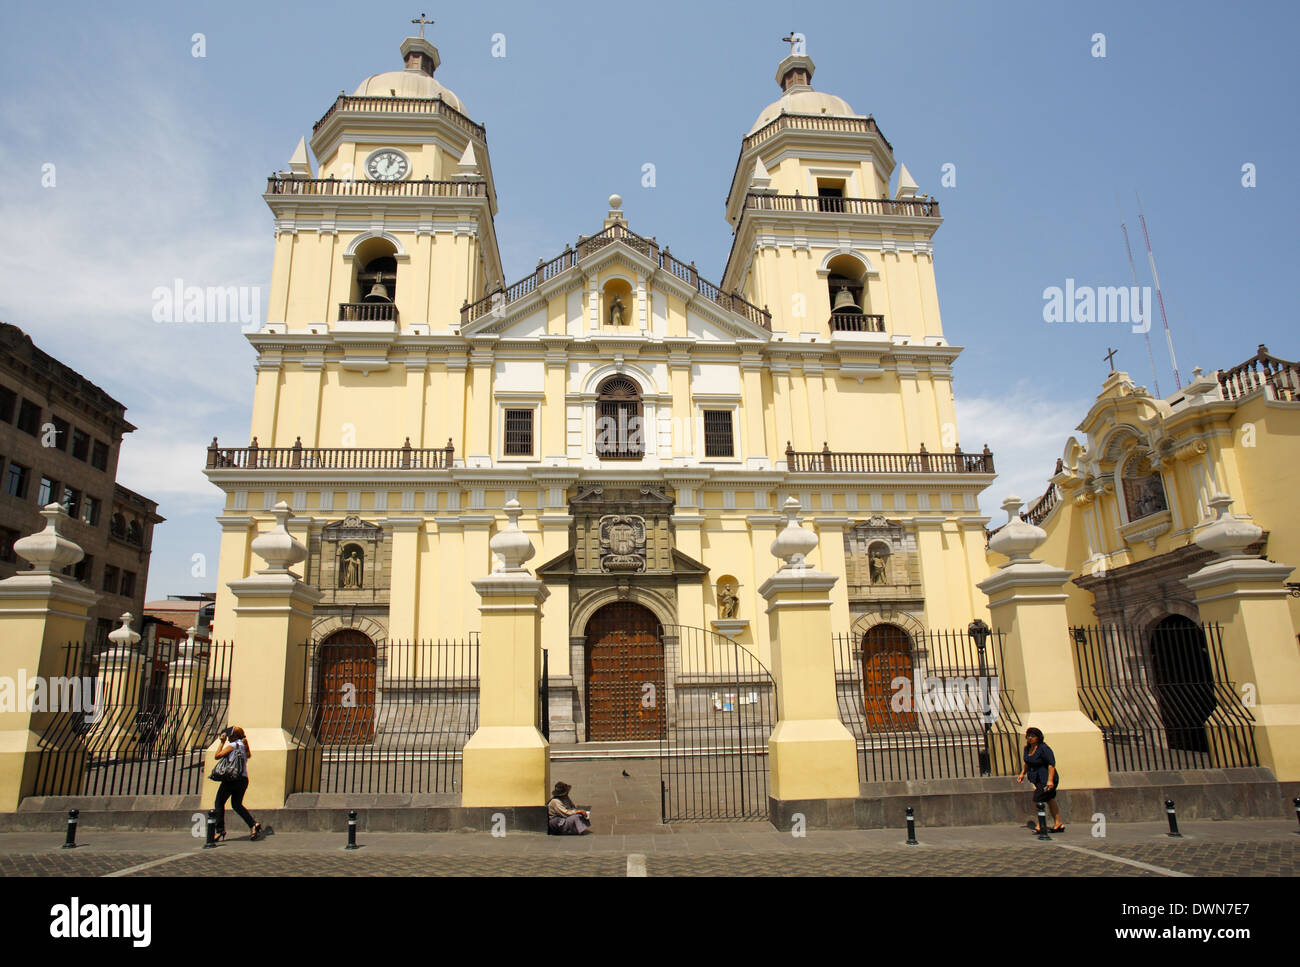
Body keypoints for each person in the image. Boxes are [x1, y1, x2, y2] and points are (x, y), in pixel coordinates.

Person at [213, 726, 262, 841]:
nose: (228, 737)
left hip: (232, 779)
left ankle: (220, 830)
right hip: (243, 779)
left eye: (230, 735)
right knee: (236, 805)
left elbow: (217, 756)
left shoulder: (233, 745)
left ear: (234, 736)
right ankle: (253, 825)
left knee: (219, 802)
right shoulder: (243, 747)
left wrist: (222, 742)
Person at [1016, 726, 1064, 832]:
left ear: (1038, 737)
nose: (1030, 738)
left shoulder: (1043, 748)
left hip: (1046, 778)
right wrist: (1022, 773)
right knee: (1049, 799)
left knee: (1038, 799)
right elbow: (1027, 762)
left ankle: (1040, 825)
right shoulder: (1027, 749)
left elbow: (1051, 764)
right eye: (1028, 736)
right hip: (1037, 778)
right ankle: (1058, 823)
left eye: (1033, 736)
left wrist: (1050, 780)